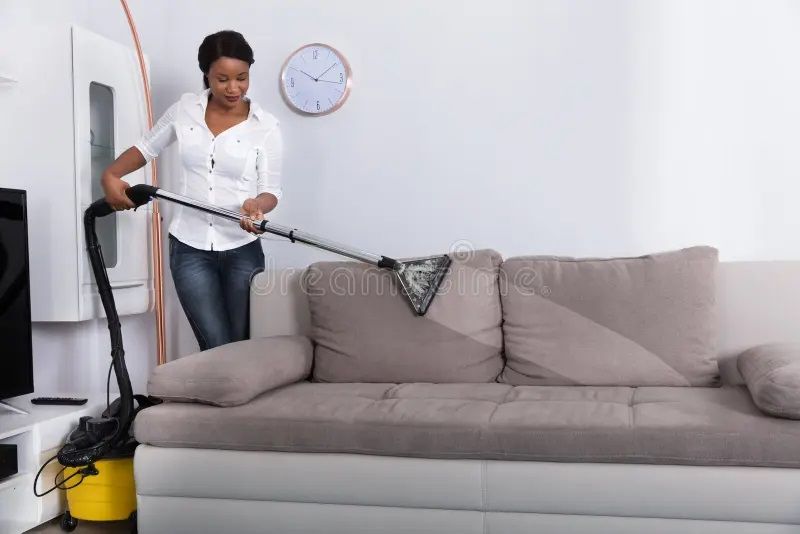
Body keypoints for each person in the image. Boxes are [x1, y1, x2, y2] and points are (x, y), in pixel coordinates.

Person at [101, 30, 283, 351]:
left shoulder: (264, 126)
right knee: (213, 346)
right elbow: (146, 147)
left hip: (242, 247)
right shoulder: (184, 110)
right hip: (188, 248)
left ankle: (238, 402)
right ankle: (221, 398)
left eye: (242, 78)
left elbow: (271, 189)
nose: (234, 88)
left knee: (242, 346)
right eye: (222, 79)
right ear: (206, 75)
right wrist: (112, 174)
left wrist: (257, 205)